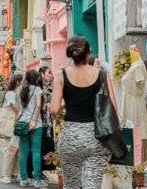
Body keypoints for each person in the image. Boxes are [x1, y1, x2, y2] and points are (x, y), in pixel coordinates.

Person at [50, 34, 118, 189]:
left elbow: (54, 109)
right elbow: (112, 107)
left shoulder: (61, 76)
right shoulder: (102, 75)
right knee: (92, 185)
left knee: (71, 184)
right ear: (89, 53)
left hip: (70, 137)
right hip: (95, 136)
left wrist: (67, 103)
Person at [17, 69, 46, 188]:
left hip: (22, 123)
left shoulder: (19, 90)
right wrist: (34, 121)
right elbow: (39, 105)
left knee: (23, 151)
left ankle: (24, 179)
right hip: (36, 124)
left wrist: (17, 122)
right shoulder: (37, 89)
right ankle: (37, 180)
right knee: (36, 151)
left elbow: (17, 107)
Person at [0, 72, 23, 184]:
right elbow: (16, 108)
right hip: (11, 126)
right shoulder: (10, 93)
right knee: (10, 150)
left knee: (17, 150)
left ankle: (13, 174)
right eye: (23, 82)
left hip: (16, 125)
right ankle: (4, 175)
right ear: (18, 82)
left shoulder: (14, 93)